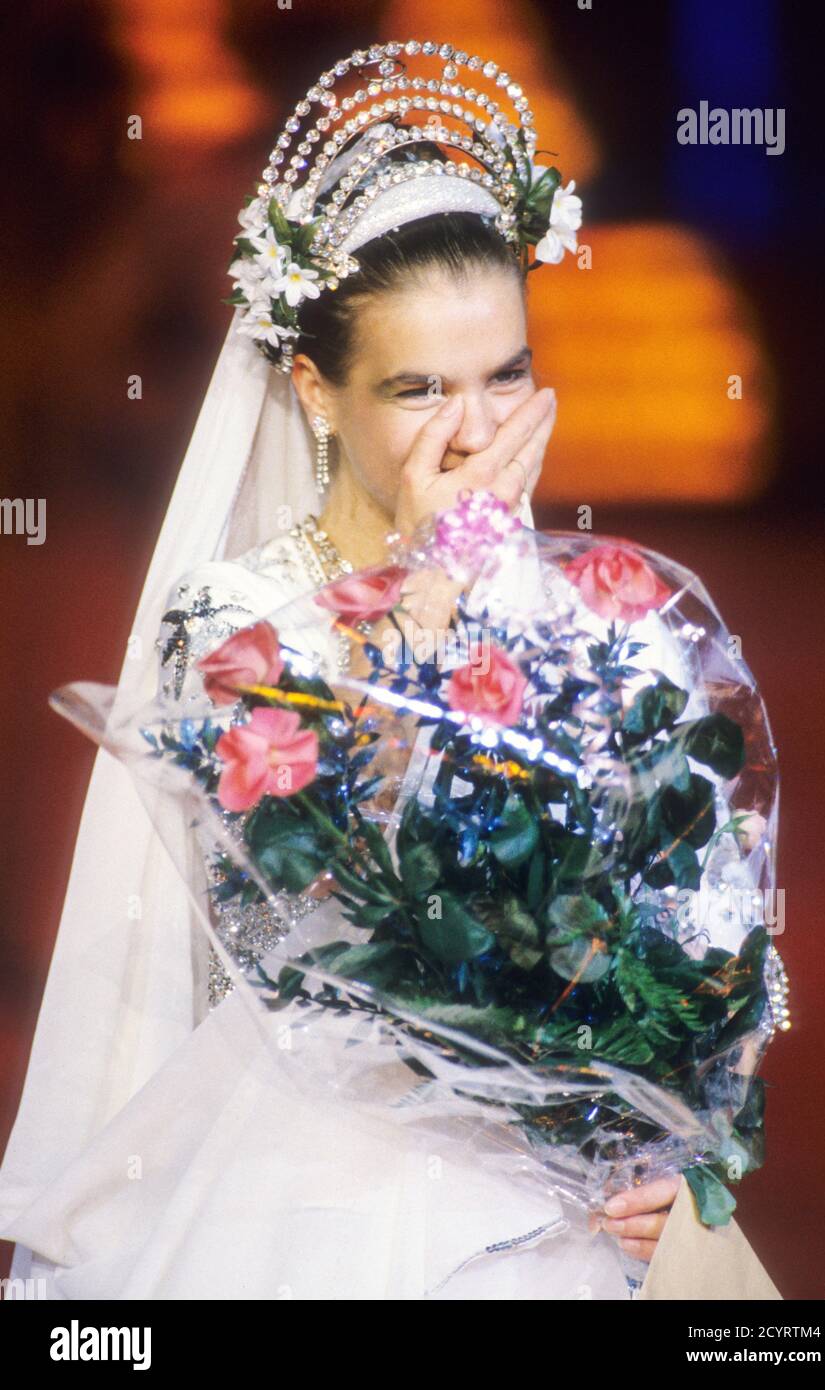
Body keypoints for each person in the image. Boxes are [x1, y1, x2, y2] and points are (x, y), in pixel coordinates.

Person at [0, 40, 696, 1299]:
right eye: (419, 387)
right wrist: (433, 594)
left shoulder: (593, 615)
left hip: (554, 1196)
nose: (475, 432)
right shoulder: (234, 618)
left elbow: (666, 926)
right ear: (316, 390)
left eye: (505, 376)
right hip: (315, 1181)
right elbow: (302, 927)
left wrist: (671, 1130)